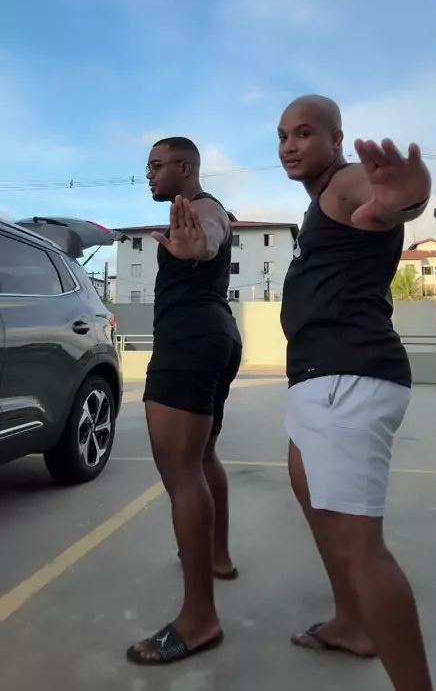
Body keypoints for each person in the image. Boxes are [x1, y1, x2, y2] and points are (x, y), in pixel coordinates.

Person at [278, 96, 434, 691]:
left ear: (337, 139)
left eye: (304, 133)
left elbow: (386, 203)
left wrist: (408, 197)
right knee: (315, 504)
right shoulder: (320, 200)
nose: (290, 146)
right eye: (282, 136)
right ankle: (350, 623)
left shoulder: (344, 183)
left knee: (359, 545)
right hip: (320, 378)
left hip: (347, 377)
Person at [127, 137, 242, 666]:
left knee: (181, 473)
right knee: (203, 457)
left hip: (188, 341)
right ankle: (217, 557)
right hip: (217, 335)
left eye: (156, 165)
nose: (149, 174)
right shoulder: (195, 212)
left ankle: (199, 620)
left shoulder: (202, 210)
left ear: (186, 167)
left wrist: (203, 246)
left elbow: (212, 232)